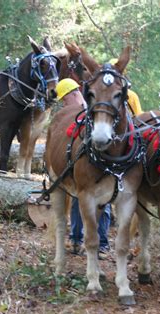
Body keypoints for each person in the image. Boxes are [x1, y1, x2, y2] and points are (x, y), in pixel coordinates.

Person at [55, 78, 112, 258]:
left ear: (73, 94)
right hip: (80, 168)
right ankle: (76, 239)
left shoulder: (96, 108)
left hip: (103, 167)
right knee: (76, 199)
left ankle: (101, 243)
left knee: (104, 204)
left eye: (65, 100)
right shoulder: (78, 114)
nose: (64, 104)